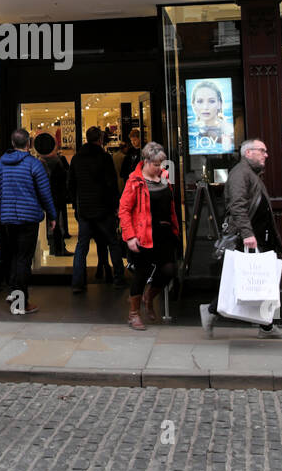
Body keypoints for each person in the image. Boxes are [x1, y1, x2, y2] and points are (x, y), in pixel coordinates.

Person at [200, 138, 282, 340]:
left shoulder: (249, 173)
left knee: (259, 280)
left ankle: (266, 327)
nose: (266, 155)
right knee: (246, 280)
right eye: (262, 150)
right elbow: (237, 206)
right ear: (248, 153)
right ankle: (211, 311)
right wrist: (248, 234)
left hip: (256, 235)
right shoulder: (240, 174)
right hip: (248, 236)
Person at [0, 128, 57, 315]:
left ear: (12, 144)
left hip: (7, 219)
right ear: (29, 144)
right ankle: (20, 303)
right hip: (28, 219)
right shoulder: (34, 165)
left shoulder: (1, 164)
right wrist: (52, 215)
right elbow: (44, 193)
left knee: (13, 257)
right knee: (23, 260)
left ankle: (14, 293)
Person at [118, 141, 179, 329]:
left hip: (164, 233)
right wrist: (129, 236)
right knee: (141, 274)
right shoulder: (135, 181)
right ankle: (134, 314)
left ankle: (149, 297)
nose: (159, 168)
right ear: (145, 161)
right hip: (143, 234)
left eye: (161, 164)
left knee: (169, 270)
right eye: (155, 164)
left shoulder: (165, 178)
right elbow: (124, 210)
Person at [68, 126, 126, 290]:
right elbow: (111, 184)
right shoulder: (104, 158)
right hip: (104, 208)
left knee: (82, 245)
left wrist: (76, 204)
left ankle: (78, 282)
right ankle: (118, 278)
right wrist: (115, 205)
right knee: (112, 242)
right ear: (100, 140)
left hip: (85, 209)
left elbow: (71, 184)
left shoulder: (77, 159)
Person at [33, 132, 72, 257]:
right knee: (57, 223)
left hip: (45, 197)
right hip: (56, 197)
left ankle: (54, 247)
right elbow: (63, 179)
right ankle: (59, 248)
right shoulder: (56, 162)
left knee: (50, 223)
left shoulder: (38, 162)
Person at [189, 81, 236, 153]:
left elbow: (227, 151)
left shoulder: (228, 129)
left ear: (219, 104)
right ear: (193, 105)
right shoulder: (190, 128)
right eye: (200, 101)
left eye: (211, 101)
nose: (205, 107)